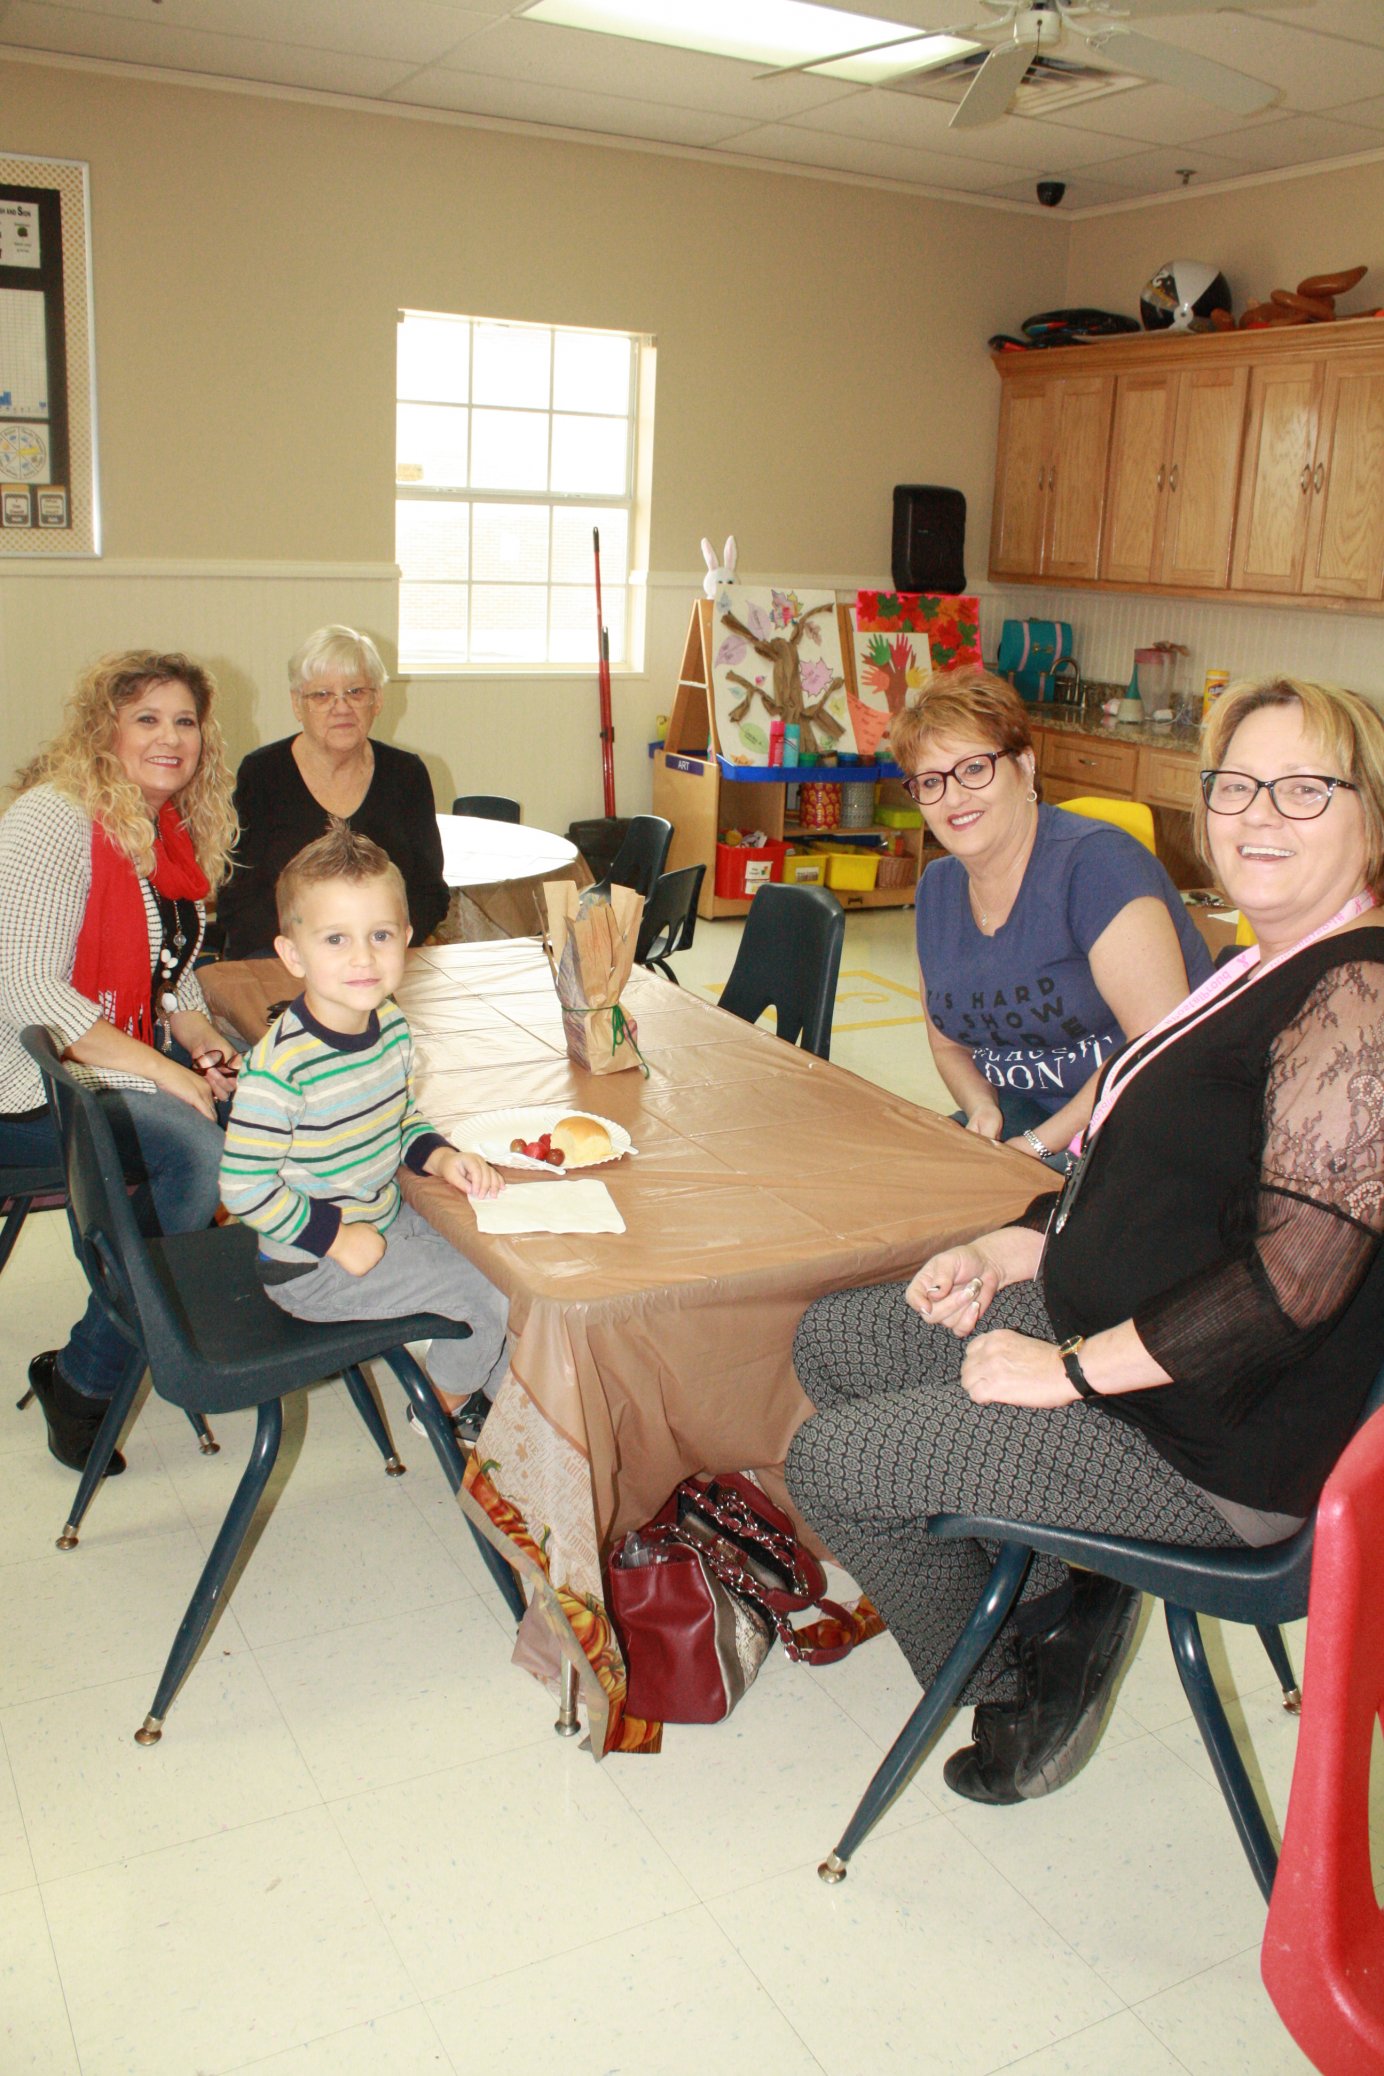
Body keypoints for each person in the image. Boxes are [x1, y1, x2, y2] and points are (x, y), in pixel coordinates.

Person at [788, 676, 1384, 1806]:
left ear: (1370, 815)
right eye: (1238, 786)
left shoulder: (1356, 996)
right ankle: (1061, 1578)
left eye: (1305, 790)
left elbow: (1291, 1288)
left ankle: (1021, 1664)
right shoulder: (1262, 960)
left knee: (833, 1466)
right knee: (840, 1342)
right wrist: (1020, 1247)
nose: (1259, 815)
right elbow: (1144, 1164)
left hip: (1207, 1435)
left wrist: (1062, 1375)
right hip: (1121, 1332)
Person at [0, 651, 239, 1474]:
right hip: (19, 1091)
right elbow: (29, 987)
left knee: (259, 1108)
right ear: (104, 730)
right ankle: (91, 1375)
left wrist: (198, 1037)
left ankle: (179, 1316)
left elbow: (163, 976)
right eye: (146, 718)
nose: (170, 737)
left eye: (184, 720)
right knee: (196, 1150)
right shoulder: (54, 819)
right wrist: (167, 1072)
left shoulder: (161, 830)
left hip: (91, 1069)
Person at [219, 822, 510, 1447]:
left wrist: (441, 1156)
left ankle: (516, 1408)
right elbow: (243, 1188)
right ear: (293, 954)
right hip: (313, 1267)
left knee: (510, 1264)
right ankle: (444, 1408)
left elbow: (398, 1116)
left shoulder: (391, 1025)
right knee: (492, 1299)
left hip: (380, 1216)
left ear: (406, 939)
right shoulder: (280, 1067)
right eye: (335, 939)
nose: (362, 958)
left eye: (380, 936)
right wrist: (335, 1238)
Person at [895, 668, 1212, 1166]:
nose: (953, 798)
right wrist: (983, 1111)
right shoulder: (937, 889)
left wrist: (1042, 1144)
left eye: (974, 769)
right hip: (1024, 1117)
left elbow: (1155, 1044)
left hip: (1145, 1123)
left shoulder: (1099, 867)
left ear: (1024, 764)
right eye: (931, 782)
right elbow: (949, 1046)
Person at [218, 624, 449, 959]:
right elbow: (238, 900)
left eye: (356, 692)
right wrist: (315, 957)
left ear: (378, 700)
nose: (341, 708)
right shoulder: (263, 773)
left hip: (380, 962)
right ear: (298, 705)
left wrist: (376, 949)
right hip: (282, 960)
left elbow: (429, 892)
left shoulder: (406, 774)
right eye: (322, 695)